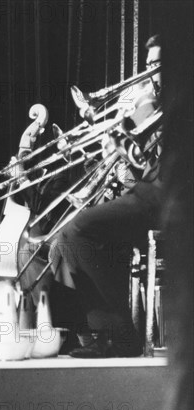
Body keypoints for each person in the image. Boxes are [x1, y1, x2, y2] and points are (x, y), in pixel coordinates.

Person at [49, 35, 163, 358]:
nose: (150, 72)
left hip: (165, 200)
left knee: (78, 230)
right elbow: (146, 163)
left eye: (159, 64)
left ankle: (117, 334)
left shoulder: (168, 105)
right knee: (74, 238)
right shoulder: (151, 103)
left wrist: (129, 145)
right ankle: (110, 335)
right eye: (148, 64)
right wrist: (119, 148)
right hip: (147, 193)